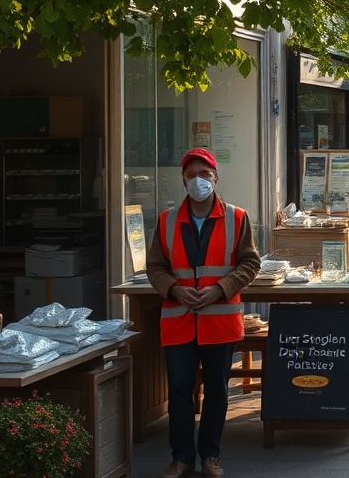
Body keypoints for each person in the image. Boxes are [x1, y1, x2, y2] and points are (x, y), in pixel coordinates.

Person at [146, 148, 261, 478]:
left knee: (217, 391)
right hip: (179, 321)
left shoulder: (237, 217)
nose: (198, 181)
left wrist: (220, 288)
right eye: (192, 175)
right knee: (180, 391)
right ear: (183, 180)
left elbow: (250, 263)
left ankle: (211, 455)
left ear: (216, 178)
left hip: (219, 321)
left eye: (205, 175)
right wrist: (173, 288)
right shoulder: (166, 221)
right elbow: (154, 266)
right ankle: (181, 458)